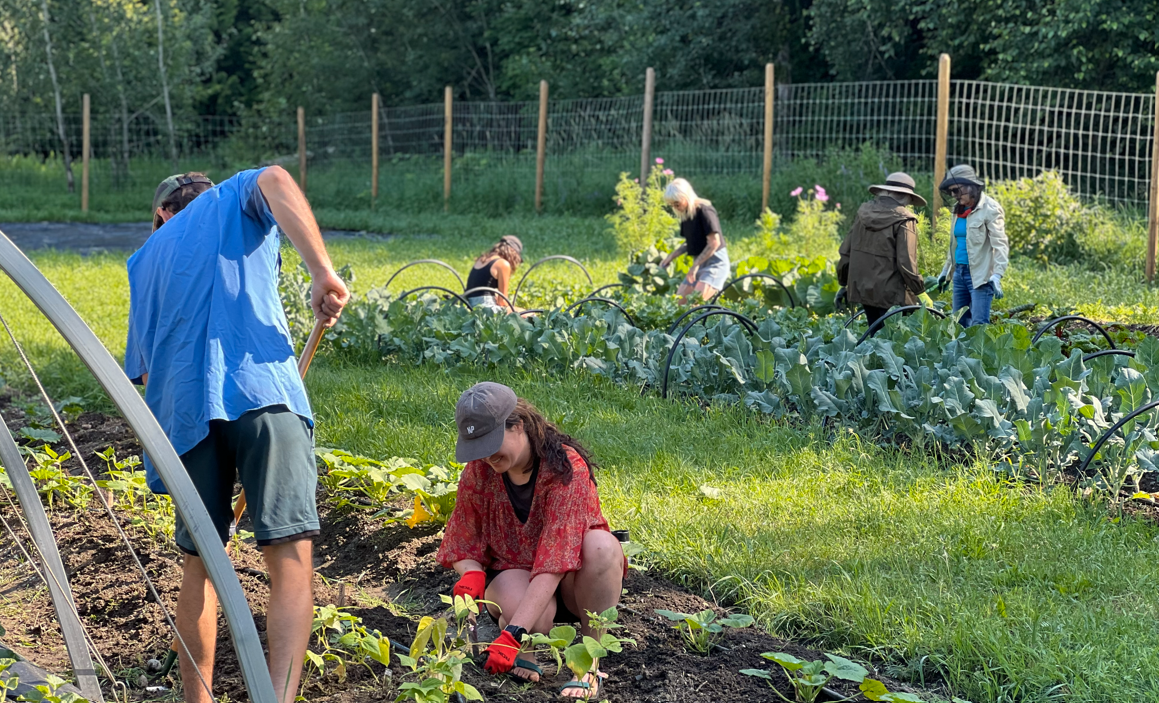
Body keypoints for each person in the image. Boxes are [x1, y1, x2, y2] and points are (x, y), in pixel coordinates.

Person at [125, 168, 350, 703]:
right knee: (289, 556)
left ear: (161, 213)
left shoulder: (142, 261)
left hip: (182, 419)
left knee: (200, 566)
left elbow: (146, 374)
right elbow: (275, 177)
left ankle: (196, 700)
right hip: (262, 392)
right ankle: (277, 698)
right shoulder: (232, 201)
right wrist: (321, 272)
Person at [437, 382, 626, 700]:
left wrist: (511, 633)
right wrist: (471, 573)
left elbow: (555, 561)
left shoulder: (566, 468)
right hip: (514, 574)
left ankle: (589, 665)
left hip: (571, 583)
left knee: (602, 546)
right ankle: (530, 643)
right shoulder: (480, 470)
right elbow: (462, 536)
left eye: (491, 442)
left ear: (518, 425)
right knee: (532, 618)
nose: (486, 455)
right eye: (478, 446)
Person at [836, 172, 927, 329]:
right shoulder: (905, 220)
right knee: (892, 345)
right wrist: (920, 291)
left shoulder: (862, 213)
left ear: (885, 191)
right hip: (892, 294)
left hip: (863, 289)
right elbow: (906, 262)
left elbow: (846, 252)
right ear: (907, 197)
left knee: (874, 336)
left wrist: (843, 283)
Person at [936, 164, 1009, 326]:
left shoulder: (990, 208)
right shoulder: (959, 210)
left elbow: (1000, 244)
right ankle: (960, 353)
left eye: (957, 190)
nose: (954, 195)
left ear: (970, 186)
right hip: (959, 274)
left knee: (978, 325)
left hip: (980, 276)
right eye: (951, 192)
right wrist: (946, 270)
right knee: (958, 322)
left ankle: (978, 352)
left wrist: (997, 274)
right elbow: (954, 244)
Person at [660, 178, 730, 303]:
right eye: (672, 205)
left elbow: (714, 243)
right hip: (699, 264)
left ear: (685, 196)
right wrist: (670, 257)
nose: (675, 207)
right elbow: (690, 242)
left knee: (694, 304)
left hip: (715, 264)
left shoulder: (705, 211)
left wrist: (694, 266)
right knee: (679, 304)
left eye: (677, 203)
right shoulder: (686, 214)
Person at [465, 235, 523, 311]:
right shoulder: (502, 264)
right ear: (513, 252)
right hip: (486, 308)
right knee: (529, 314)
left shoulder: (482, 259)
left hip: (470, 305)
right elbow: (502, 302)